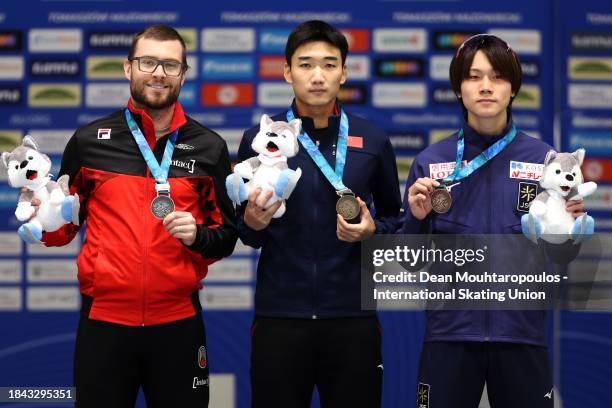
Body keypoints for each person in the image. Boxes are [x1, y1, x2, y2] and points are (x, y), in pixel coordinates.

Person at [38, 24, 237, 407]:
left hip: (178, 323)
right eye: (148, 62)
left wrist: (198, 236)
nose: (158, 73)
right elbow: (61, 231)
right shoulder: (88, 142)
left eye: (170, 65)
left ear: (183, 74)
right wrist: (40, 219)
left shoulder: (209, 147)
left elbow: (227, 236)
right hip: (105, 324)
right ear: (128, 68)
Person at [401, 34, 585, 408]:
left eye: (497, 76)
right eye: (473, 76)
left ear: (513, 87)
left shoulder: (547, 162)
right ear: (458, 88)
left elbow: (561, 258)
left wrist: (570, 230)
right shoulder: (429, 163)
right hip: (449, 338)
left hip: (522, 337)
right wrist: (417, 221)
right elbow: (411, 261)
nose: (486, 86)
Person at [236, 20, 401, 408]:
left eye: (329, 65)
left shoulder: (373, 141)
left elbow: (395, 220)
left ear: (344, 72)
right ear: (287, 71)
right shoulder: (259, 141)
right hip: (280, 316)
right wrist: (252, 223)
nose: (317, 76)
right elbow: (245, 230)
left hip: (353, 320)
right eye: (306, 64)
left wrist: (372, 231)